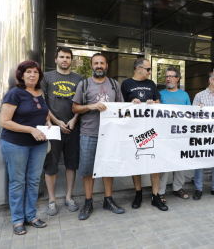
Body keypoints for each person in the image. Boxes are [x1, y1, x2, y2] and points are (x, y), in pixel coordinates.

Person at [0, 61, 51, 235]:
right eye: (28, 72)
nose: (32, 75)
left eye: (35, 72)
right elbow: (4, 121)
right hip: (15, 144)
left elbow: (43, 113)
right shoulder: (15, 93)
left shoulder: (40, 92)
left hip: (38, 144)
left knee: (34, 181)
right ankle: (17, 220)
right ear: (21, 75)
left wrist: (48, 122)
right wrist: (30, 129)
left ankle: (31, 216)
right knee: (17, 182)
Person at [72, 53, 125, 220]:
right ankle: (88, 202)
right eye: (96, 63)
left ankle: (108, 200)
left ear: (107, 65)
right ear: (91, 66)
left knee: (108, 167)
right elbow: (75, 108)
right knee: (87, 169)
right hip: (89, 133)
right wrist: (91, 106)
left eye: (102, 63)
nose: (99, 66)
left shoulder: (115, 85)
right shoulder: (84, 84)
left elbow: (122, 107)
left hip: (110, 134)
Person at [121, 58, 168, 211]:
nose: (150, 72)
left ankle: (155, 196)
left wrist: (153, 104)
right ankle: (138, 193)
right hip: (133, 130)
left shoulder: (151, 84)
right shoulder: (126, 84)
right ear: (138, 69)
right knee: (137, 161)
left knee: (155, 162)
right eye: (148, 69)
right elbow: (120, 108)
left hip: (151, 129)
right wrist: (130, 105)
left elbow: (159, 104)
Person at [41, 47, 83, 216]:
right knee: (51, 166)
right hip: (53, 129)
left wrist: (74, 120)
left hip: (73, 127)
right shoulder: (46, 77)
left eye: (68, 57)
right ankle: (52, 200)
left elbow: (81, 104)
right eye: (62, 57)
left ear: (71, 60)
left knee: (71, 164)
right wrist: (57, 122)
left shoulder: (79, 79)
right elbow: (43, 103)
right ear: (56, 59)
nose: (65, 60)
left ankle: (68, 197)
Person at [192, 72, 214, 200]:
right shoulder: (199, 96)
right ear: (211, 80)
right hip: (202, 135)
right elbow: (192, 116)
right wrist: (197, 109)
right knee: (200, 162)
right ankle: (198, 188)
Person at [158, 67, 191, 202]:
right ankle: (160, 191)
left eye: (171, 76)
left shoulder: (185, 95)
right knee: (164, 164)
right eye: (166, 76)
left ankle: (178, 188)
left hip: (180, 134)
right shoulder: (159, 94)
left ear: (177, 79)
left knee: (180, 162)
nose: (168, 79)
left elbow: (190, 115)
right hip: (165, 134)